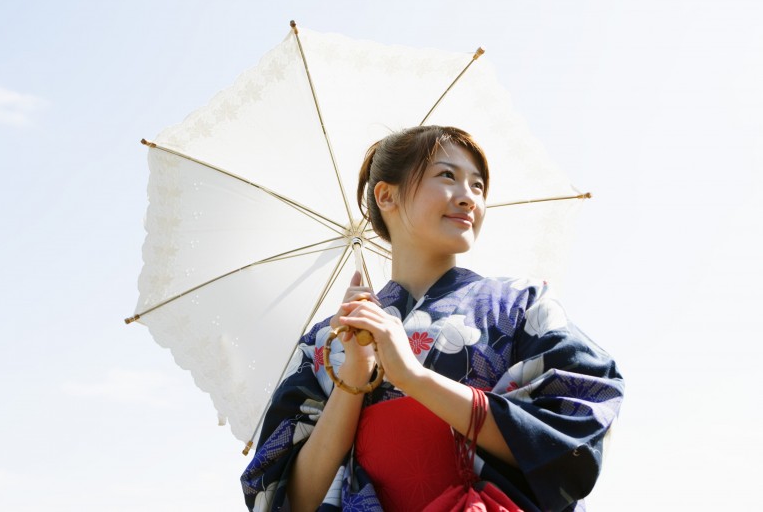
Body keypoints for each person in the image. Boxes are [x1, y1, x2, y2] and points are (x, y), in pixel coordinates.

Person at [241, 126, 624, 511]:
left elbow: (573, 430)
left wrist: (414, 377)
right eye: (447, 176)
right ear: (387, 195)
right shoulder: (326, 342)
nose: (468, 198)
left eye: (478, 186)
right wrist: (352, 379)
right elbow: (290, 499)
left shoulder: (520, 304)